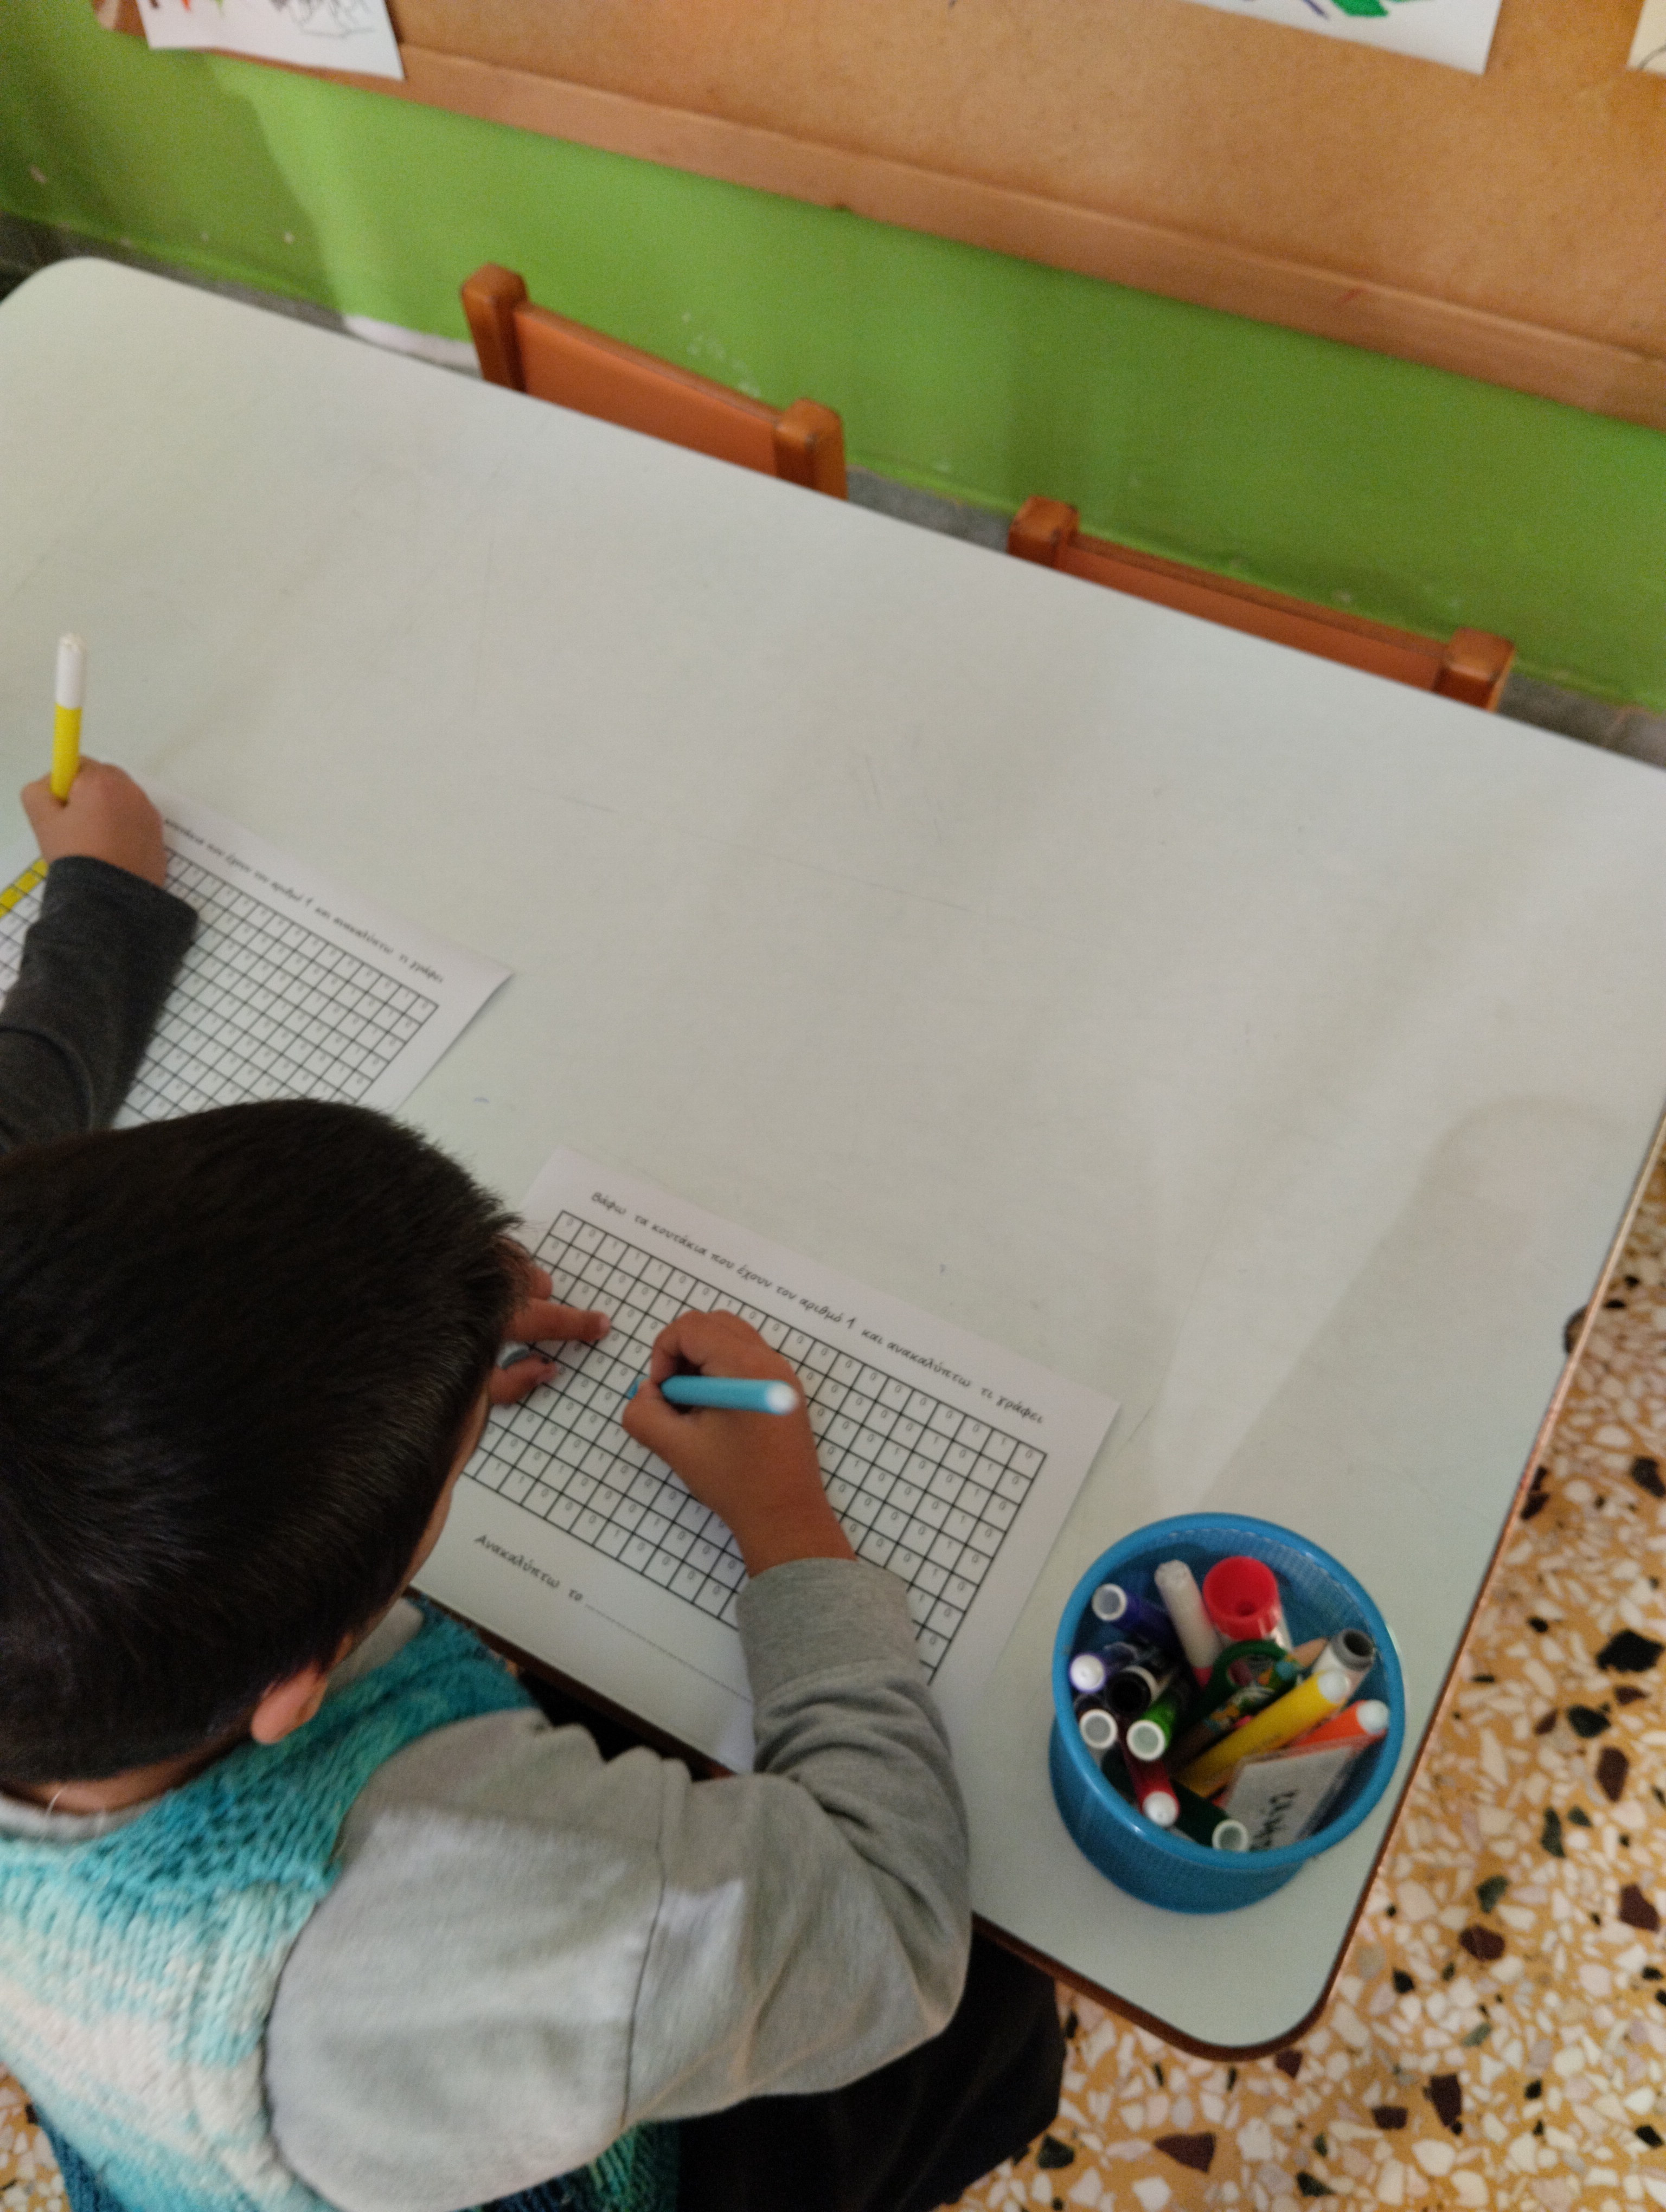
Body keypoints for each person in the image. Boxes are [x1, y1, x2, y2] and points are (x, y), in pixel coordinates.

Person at [0, 763, 1063, 2212]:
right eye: (440, 1468)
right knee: (998, 2005)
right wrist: (790, 1531)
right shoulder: (449, 1917)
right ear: (301, 1681)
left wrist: (102, 907)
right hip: (438, 2120)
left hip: (161, 2120)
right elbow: (889, 1922)